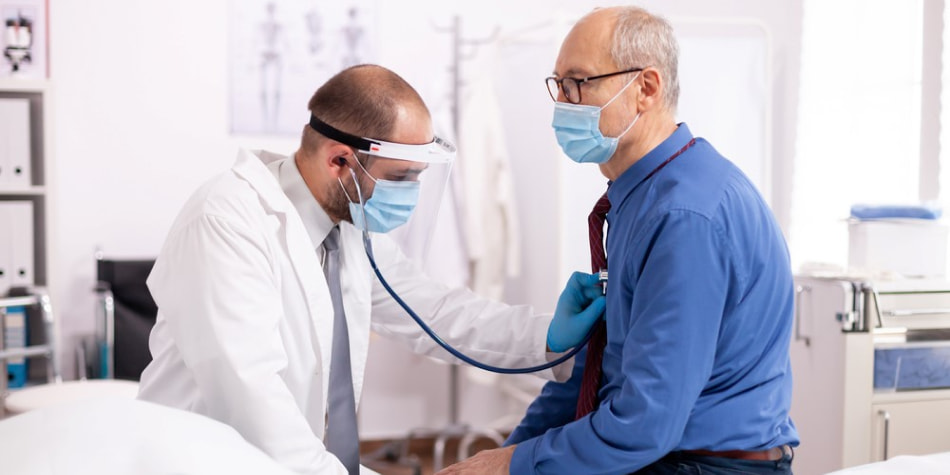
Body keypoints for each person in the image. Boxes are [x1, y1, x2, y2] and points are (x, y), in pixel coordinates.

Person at [137, 64, 606, 475]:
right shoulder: (226, 222)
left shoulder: (347, 229)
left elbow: (435, 312)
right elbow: (254, 403)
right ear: (340, 160)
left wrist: (547, 339)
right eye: (401, 178)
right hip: (204, 461)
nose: (411, 195)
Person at [438, 6, 798, 475]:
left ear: (645, 88)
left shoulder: (685, 217)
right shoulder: (643, 196)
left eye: (579, 83)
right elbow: (595, 373)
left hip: (704, 466)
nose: (563, 102)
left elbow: (646, 423)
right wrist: (504, 455)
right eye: (559, 85)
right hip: (660, 455)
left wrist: (512, 464)